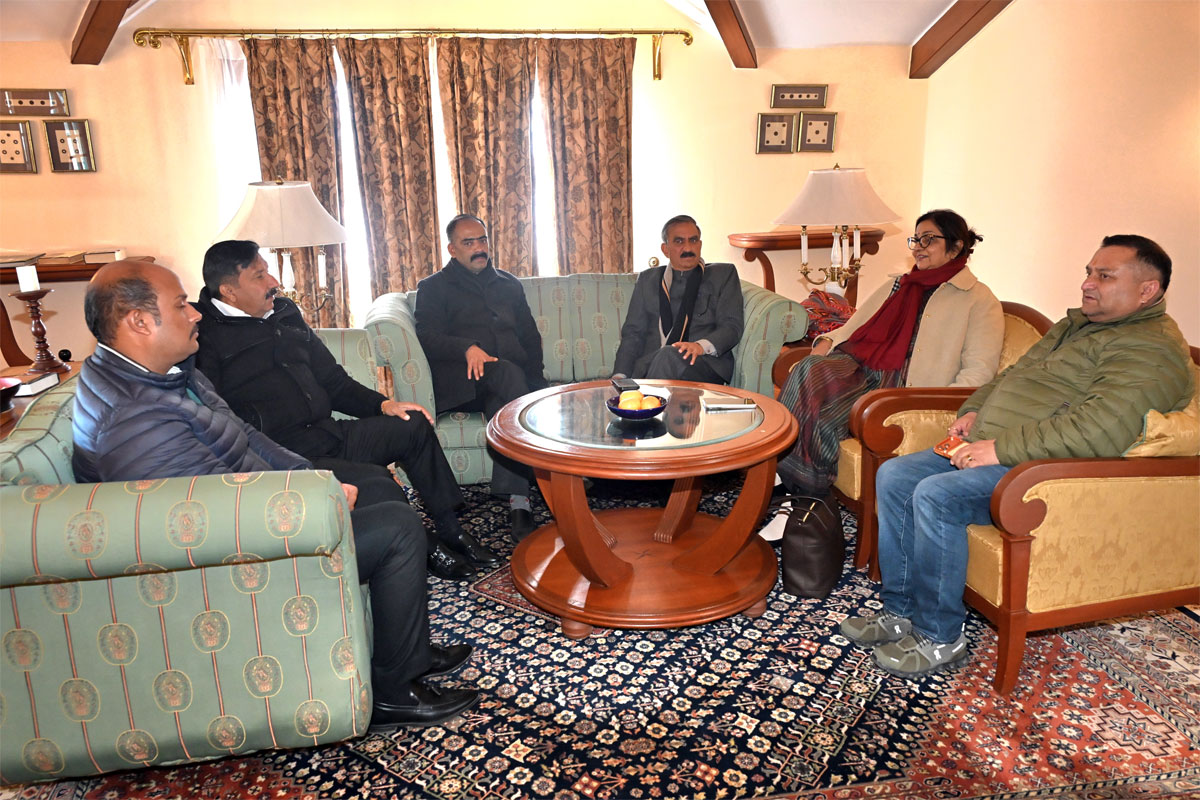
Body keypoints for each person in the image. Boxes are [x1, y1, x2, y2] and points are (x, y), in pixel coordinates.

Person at [71, 260, 480, 728]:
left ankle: (408, 650)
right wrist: (313, 506)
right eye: (181, 305)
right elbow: (210, 520)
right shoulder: (135, 422)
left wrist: (312, 481)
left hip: (256, 504)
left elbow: (245, 435)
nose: (196, 313)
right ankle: (394, 693)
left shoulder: (170, 372)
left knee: (375, 485)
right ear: (140, 322)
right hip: (233, 561)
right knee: (399, 528)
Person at [841, 235, 1193, 677]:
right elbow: (1014, 374)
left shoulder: (1151, 350)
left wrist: (999, 449)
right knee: (895, 475)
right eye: (1089, 272)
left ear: (1148, 290)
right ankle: (901, 610)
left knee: (935, 495)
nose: (1088, 283)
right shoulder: (1076, 326)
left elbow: (1100, 431)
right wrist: (973, 411)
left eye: (1105, 276)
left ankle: (940, 636)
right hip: (1000, 447)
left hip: (1041, 471)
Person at [193, 241, 497, 581]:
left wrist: (383, 404)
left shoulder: (284, 312)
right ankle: (426, 546)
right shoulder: (203, 337)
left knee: (412, 423)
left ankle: (451, 529)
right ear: (229, 291)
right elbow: (215, 416)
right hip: (287, 453)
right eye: (260, 275)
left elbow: (333, 381)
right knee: (379, 485)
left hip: (329, 432)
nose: (273, 283)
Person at [760, 209, 1004, 541]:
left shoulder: (979, 300)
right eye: (916, 239)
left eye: (929, 239)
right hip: (862, 366)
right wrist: (825, 343)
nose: (918, 247)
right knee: (808, 369)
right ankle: (800, 490)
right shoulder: (899, 283)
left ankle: (795, 493)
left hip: (903, 387)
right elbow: (854, 326)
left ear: (956, 246)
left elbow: (978, 372)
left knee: (818, 406)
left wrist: (939, 407)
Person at [414, 214, 548, 541]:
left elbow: (530, 338)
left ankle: (518, 502)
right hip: (463, 383)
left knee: (507, 394)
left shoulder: (509, 284)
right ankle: (548, 475)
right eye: (469, 242)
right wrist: (466, 348)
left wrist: (538, 385)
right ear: (452, 249)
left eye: (483, 240)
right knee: (508, 374)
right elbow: (426, 336)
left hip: (508, 384)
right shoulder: (434, 287)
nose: (479, 248)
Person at [612, 215, 744, 385]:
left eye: (693, 240)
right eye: (679, 241)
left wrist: (700, 346)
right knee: (661, 358)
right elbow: (633, 333)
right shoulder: (648, 280)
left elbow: (732, 326)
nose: (688, 248)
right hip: (651, 365)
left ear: (700, 245)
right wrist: (620, 375)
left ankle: (646, 399)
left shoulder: (723, 275)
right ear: (665, 249)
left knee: (668, 355)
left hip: (702, 364)